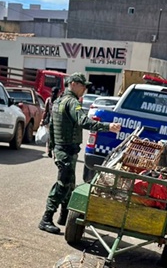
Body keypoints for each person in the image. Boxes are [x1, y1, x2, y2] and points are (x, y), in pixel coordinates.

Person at [39, 73, 122, 234]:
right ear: (75, 84)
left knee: (69, 184)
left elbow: (54, 127)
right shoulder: (72, 102)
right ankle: (46, 218)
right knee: (63, 185)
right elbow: (83, 121)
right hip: (66, 151)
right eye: (83, 86)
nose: (85, 89)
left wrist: (52, 149)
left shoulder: (59, 101)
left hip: (62, 150)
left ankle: (64, 216)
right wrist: (108, 127)